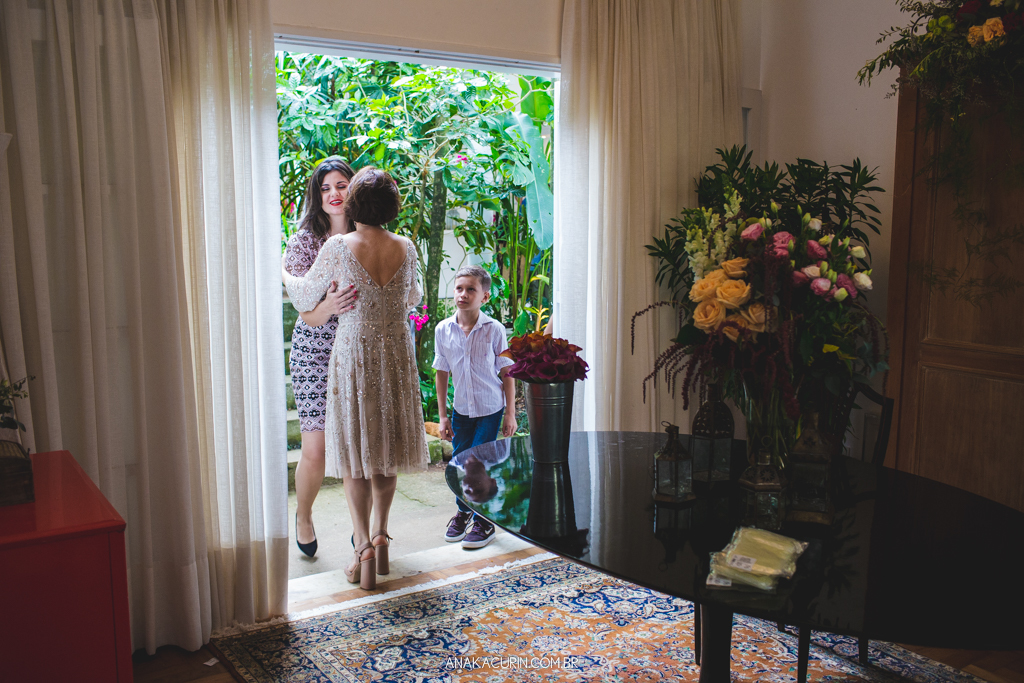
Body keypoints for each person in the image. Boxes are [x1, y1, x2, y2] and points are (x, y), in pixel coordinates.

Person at [283, 167, 428, 590]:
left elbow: (306, 296)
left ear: (354, 202)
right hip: (395, 356)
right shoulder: (408, 245)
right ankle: (381, 536)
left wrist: (285, 274)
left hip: (354, 356)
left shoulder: (337, 246)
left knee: (354, 453)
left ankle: (362, 547)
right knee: (383, 448)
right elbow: (413, 299)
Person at [284, 157, 358, 559]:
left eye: (342, 185)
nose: (334, 194)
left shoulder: (368, 235)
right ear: (317, 194)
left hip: (356, 353)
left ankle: (361, 527)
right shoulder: (303, 243)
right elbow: (306, 313)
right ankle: (304, 515)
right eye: (326, 187)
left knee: (353, 446)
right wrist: (328, 304)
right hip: (313, 353)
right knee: (316, 449)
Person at [433, 265, 517, 549]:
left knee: (478, 462)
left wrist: (510, 413)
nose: (463, 294)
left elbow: (507, 372)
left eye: (471, 289)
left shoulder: (494, 330)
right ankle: (464, 511)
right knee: (459, 462)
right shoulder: (443, 330)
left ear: (485, 296)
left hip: (490, 409)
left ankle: (484, 522)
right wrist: (443, 416)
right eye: (459, 288)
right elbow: (442, 373)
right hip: (462, 412)